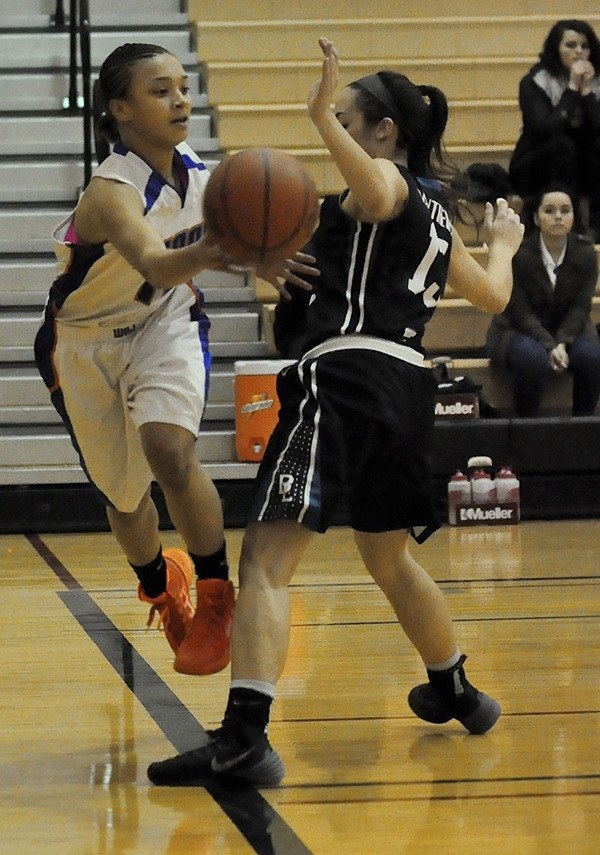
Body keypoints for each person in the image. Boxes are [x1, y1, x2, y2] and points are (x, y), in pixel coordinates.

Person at [147, 36, 524, 788]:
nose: (340, 133)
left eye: (351, 120)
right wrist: (506, 244)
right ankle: (453, 687)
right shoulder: (440, 215)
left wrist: (317, 113)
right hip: (408, 392)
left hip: (345, 379)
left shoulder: (384, 180)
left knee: (266, 560)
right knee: (387, 555)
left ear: (384, 132)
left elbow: (378, 192)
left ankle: (245, 737)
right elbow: (493, 296)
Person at [33, 43, 315, 677]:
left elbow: (179, 277)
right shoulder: (111, 190)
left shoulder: (205, 176)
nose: (181, 100)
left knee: (168, 449)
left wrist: (260, 251)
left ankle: (217, 593)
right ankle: (163, 587)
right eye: (161, 91)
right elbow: (157, 263)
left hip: (164, 321)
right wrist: (224, 248)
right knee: (126, 498)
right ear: (121, 109)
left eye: (183, 87)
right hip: (82, 343)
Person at [486, 185, 600, 417]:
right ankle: (527, 432)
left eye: (565, 210)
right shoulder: (518, 252)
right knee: (532, 359)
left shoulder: (587, 253)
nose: (558, 216)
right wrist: (549, 345)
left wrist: (562, 342)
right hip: (516, 329)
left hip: (571, 330)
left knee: (591, 357)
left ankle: (585, 430)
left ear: (573, 216)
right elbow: (518, 310)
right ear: (536, 217)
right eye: (549, 210)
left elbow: (581, 308)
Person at [509, 19, 600, 241]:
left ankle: (597, 227)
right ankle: (573, 224)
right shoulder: (534, 82)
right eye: (570, 45)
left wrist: (587, 92)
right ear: (556, 49)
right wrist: (571, 88)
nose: (579, 52)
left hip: (583, 164)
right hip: (537, 162)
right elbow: (544, 129)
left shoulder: (596, 81)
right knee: (562, 145)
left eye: (584, 46)